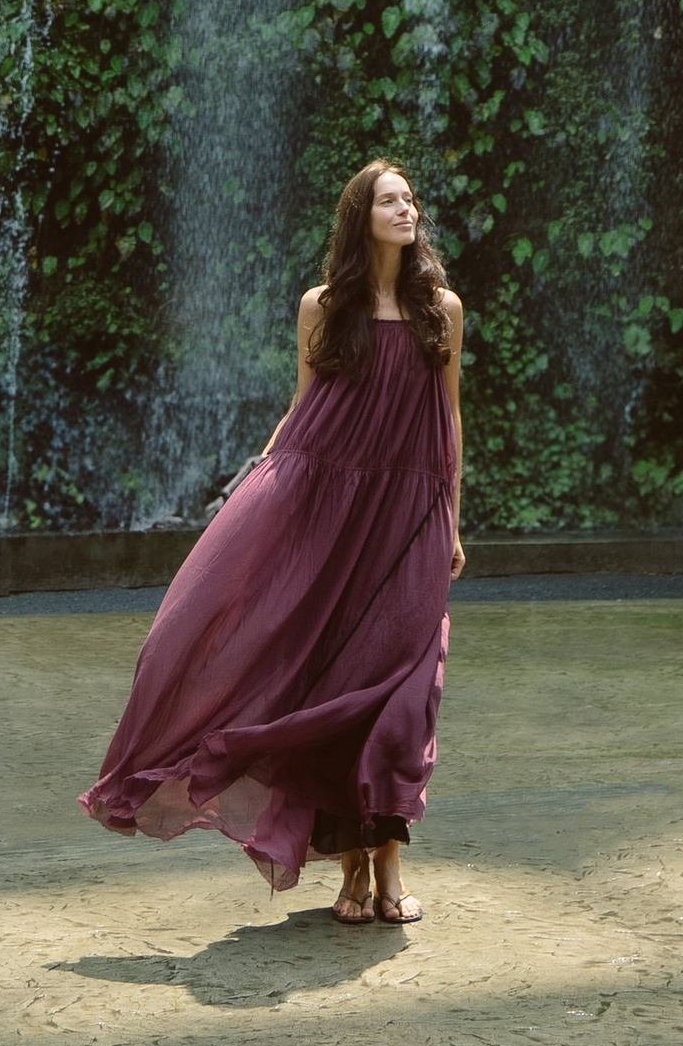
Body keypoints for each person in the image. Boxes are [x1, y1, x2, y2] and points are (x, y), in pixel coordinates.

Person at [82, 162, 466, 924]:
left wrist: (452, 517)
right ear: (360, 216)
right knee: (334, 690)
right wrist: (254, 497)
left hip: (409, 515)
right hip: (328, 516)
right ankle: (355, 875)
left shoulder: (441, 309)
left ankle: (389, 867)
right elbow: (301, 412)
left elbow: (449, 416)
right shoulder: (321, 307)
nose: (407, 209)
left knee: (405, 694)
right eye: (390, 199)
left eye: (410, 199)